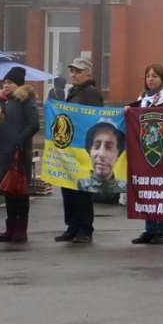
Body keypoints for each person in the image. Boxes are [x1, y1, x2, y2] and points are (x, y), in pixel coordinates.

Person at [0, 66, 39, 243]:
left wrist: (18, 141)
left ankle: (21, 230)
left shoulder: (25, 100)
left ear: (19, 84)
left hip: (19, 153)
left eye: (10, 82)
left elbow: (33, 125)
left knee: (20, 192)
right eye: (4, 82)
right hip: (2, 153)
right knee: (8, 192)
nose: (6, 85)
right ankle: (10, 229)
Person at [128, 64, 163, 245]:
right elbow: (136, 111)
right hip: (145, 150)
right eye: (148, 76)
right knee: (148, 190)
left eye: (154, 76)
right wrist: (128, 109)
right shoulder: (144, 97)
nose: (150, 79)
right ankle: (150, 230)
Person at [55, 58, 103, 245]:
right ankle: (72, 227)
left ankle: (85, 229)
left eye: (78, 71)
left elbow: (96, 118)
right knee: (68, 188)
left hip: (83, 148)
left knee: (83, 190)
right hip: (70, 147)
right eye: (72, 71)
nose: (74, 74)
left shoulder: (91, 92)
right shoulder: (73, 92)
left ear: (88, 73)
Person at [77, 119, 126, 195]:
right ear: (89, 151)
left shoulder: (125, 188)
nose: (101, 154)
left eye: (109, 147)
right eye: (96, 146)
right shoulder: (79, 185)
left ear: (118, 154)